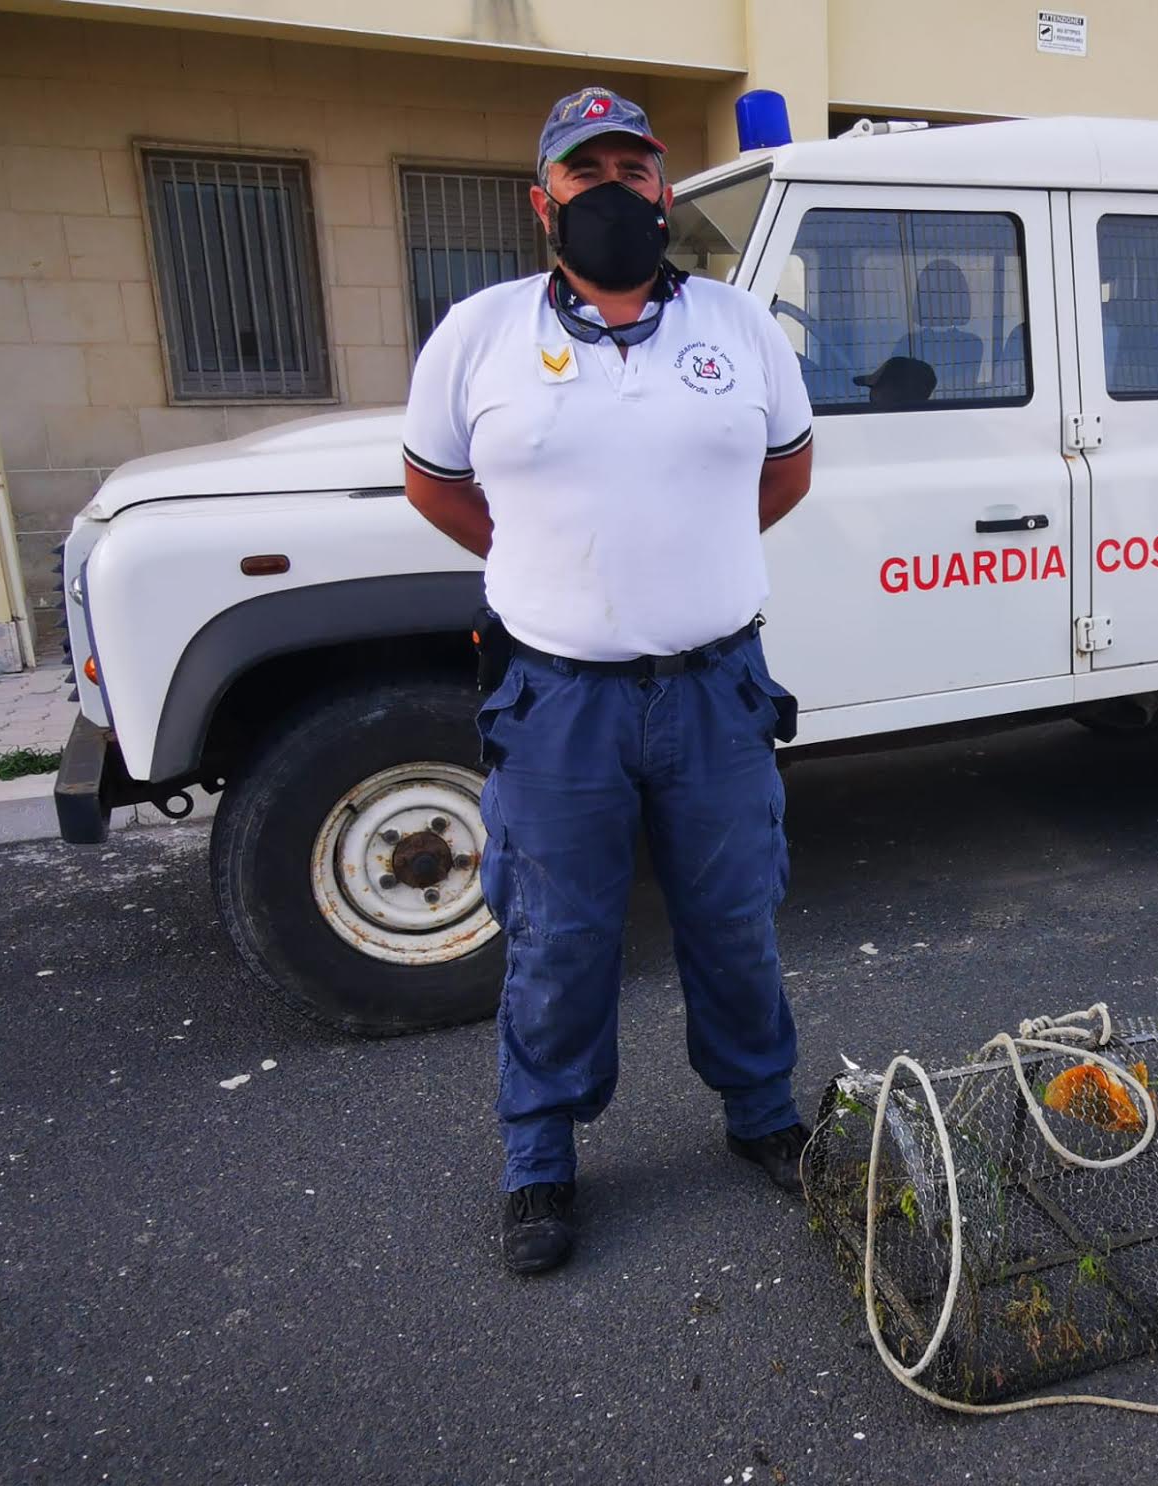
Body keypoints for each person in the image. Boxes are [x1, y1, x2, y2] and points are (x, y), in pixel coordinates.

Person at [400, 85, 816, 1274]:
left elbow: (785, 474)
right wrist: (531, 557)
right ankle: (539, 1157)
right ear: (546, 203)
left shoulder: (737, 330)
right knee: (557, 935)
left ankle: (760, 1115)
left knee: (734, 919)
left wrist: (693, 556)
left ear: (662, 191)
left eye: (636, 173)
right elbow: (434, 484)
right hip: (558, 703)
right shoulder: (477, 334)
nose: (616, 194)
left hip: (715, 691)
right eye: (589, 176)